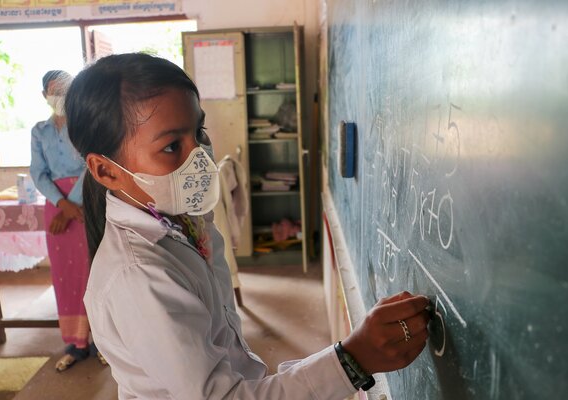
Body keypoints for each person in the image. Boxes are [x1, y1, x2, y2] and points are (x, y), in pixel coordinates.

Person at [65, 53, 430, 399]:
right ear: (107, 171)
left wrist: (344, 357)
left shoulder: (186, 225)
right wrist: (351, 359)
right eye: (172, 146)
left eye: (199, 133)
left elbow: (233, 367)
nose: (200, 158)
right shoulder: (139, 277)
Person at [30, 70, 105, 371]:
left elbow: (92, 164)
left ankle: (101, 340)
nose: (58, 94)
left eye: (64, 88)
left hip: (87, 201)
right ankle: (76, 344)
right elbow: (38, 173)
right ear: (44, 95)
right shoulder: (39, 131)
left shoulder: (86, 125)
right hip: (56, 207)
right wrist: (61, 204)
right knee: (65, 276)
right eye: (53, 89)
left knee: (94, 270)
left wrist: (72, 204)